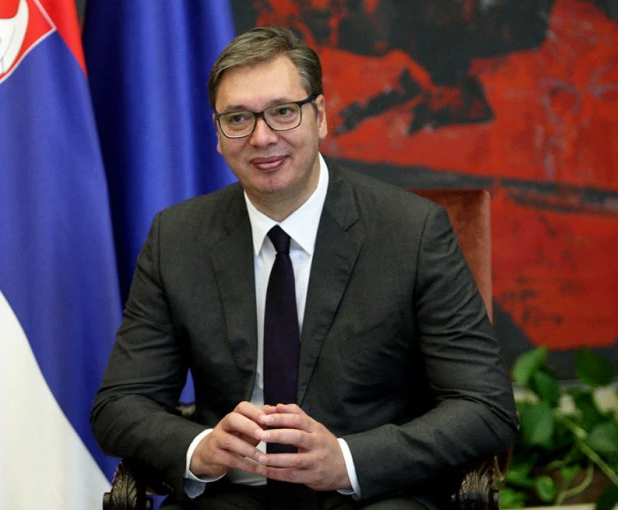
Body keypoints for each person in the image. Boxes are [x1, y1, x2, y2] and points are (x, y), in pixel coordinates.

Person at [91, 26, 518, 510]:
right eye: (238, 118)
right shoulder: (178, 238)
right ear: (218, 134)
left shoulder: (411, 232)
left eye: (283, 111)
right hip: (233, 493)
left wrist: (349, 460)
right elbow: (119, 405)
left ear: (321, 117)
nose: (262, 137)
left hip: (375, 494)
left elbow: (486, 407)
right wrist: (199, 449)